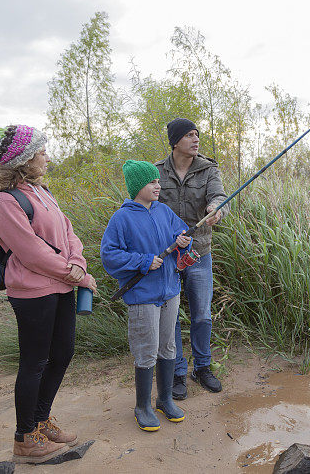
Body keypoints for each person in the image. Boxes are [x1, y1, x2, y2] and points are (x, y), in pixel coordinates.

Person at [0, 125, 97, 464]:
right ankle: (25, 438)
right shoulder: (4, 201)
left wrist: (77, 263)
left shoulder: (42, 191)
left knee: (62, 354)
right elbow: (30, 252)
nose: (46, 156)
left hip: (61, 286)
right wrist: (73, 273)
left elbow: (68, 231)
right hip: (32, 292)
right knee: (34, 362)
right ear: (23, 159)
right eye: (40, 152)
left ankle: (42, 422)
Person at [101, 160, 192, 432]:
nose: (158, 185)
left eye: (158, 181)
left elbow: (180, 232)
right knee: (146, 352)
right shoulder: (121, 218)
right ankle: (143, 406)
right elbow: (109, 255)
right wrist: (143, 261)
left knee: (169, 348)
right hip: (142, 295)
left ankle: (164, 400)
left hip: (170, 292)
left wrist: (183, 241)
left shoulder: (164, 211)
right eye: (151, 181)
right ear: (137, 186)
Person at [155, 118, 229, 399]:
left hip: (200, 253)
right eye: (189, 135)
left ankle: (203, 367)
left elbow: (219, 196)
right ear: (175, 142)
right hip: (169, 255)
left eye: (197, 134)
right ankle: (175, 372)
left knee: (201, 314)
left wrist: (216, 209)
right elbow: (147, 205)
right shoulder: (157, 171)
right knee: (171, 315)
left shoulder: (209, 169)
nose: (196, 139)